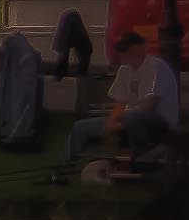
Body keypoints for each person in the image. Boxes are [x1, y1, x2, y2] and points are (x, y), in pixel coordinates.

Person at [58, 29, 177, 175]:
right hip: (128, 119)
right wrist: (111, 122)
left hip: (159, 121)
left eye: (129, 51)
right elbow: (120, 103)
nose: (125, 57)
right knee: (80, 127)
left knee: (131, 116)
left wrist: (119, 124)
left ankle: (145, 154)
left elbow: (149, 106)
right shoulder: (125, 69)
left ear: (141, 49)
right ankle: (66, 167)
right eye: (125, 53)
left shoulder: (157, 67)